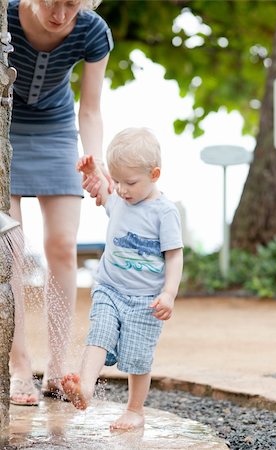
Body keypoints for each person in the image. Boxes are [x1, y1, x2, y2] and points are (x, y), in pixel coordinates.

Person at [7, 0, 113, 406]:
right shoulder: (6, 16)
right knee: (9, 251)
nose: (62, 14)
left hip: (56, 133)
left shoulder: (92, 31)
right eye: (54, 2)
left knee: (63, 247)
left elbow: (89, 109)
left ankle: (57, 366)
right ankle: (19, 368)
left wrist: (95, 162)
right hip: (6, 129)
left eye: (73, 4)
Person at [61, 127, 184, 431]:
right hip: (110, 288)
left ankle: (135, 409)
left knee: (138, 357)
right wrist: (93, 172)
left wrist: (169, 294)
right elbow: (102, 191)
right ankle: (85, 388)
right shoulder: (118, 198)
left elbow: (174, 255)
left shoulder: (164, 212)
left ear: (155, 174)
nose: (122, 189)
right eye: (117, 181)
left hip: (146, 300)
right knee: (99, 332)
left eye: (130, 182)